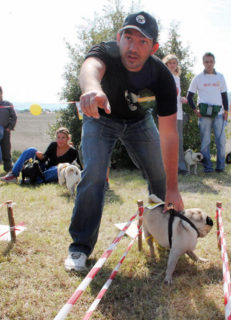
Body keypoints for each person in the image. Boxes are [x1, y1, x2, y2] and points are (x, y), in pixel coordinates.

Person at [64, 11, 183, 271]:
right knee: (94, 173)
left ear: (154, 47)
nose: (133, 47)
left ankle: (168, 234)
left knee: (161, 177)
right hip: (100, 117)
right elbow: (89, 68)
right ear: (119, 38)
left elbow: (170, 134)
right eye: (128, 38)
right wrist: (92, 89)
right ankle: (79, 248)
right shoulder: (106, 51)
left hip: (140, 122)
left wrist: (173, 187)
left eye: (143, 42)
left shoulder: (162, 77)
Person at [187, 52, 229, 173]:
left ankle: (220, 167)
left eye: (211, 61)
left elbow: (224, 95)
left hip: (219, 114)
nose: (209, 64)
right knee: (205, 142)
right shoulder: (198, 77)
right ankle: (208, 167)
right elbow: (189, 96)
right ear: (203, 63)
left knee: (220, 141)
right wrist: (195, 110)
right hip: (204, 115)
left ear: (214, 62)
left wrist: (226, 111)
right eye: (206, 61)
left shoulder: (220, 77)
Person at [1, 127, 82, 183]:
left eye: (63, 137)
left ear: (68, 138)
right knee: (31, 150)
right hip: (44, 169)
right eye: (58, 137)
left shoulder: (73, 151)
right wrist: (41, 157)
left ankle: (35, 180)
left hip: (55, 173)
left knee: (60, 168)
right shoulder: (53, 145)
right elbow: (45, 158)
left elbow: (79, 166)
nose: (60, 140)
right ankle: (13, 175)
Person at [162, 54, 188, 175]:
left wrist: (182, 98)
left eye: (174, 63)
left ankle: (181, 167)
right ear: (166, 64)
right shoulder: (161, 76)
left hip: (178, 114)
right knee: (167, 141)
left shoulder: (177, 78)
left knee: (179, 141)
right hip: (166, 114)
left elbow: (176, 95)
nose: (172, 65)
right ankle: (166, 168)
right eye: (170, 62)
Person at [0, 86, 17, 173]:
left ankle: (8, 168)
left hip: (5, 130)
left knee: (6, 149)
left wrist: (10, 127)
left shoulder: (7, 104)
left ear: (1, 93)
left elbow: (13, 116)